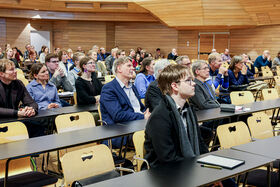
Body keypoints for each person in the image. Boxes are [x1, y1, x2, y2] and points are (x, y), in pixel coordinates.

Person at [144, 64, 208, 168]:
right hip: (166, 174)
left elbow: (200, 144)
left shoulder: (189, 110)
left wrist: (208, 166)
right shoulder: (160, 117)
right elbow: (168, 158)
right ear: (175, 86)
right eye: (188, 80)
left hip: (187, 166)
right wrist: (197, 169)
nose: (194, 84)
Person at [100, 57, 150, 147]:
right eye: (129, 66)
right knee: (156, 135)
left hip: (139, 124)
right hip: (121, 130)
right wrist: (142, 116)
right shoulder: (109, 89)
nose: (133, 68)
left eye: (132, 66)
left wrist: (148, 113)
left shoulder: (132, 87)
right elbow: (118, 115)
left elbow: (140, 108)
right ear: (119, 69)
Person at [0, 59, 39, 137]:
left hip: (14, 119)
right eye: (11, 70)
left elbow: (31, 102)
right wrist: (17, 113)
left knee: (38, 128)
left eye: (15, 68)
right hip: (2, 120)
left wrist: (32, 110)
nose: (15, 71)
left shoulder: (18, 83)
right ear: (1, 73)